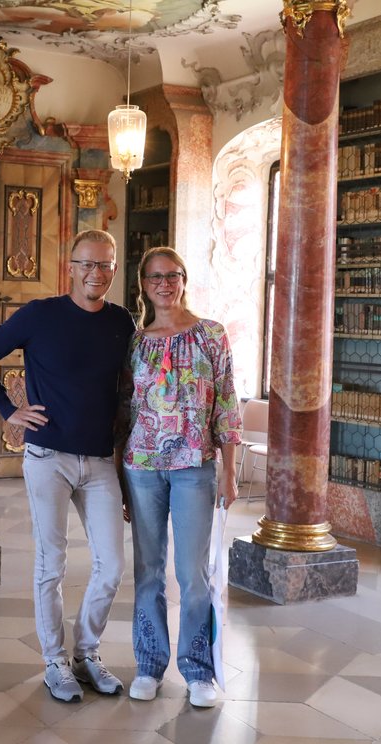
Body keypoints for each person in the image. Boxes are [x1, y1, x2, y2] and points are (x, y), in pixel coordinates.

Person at [0, 229, 136, 703]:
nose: (95, 274)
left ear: (114, 270)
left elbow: (128, 393)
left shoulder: (122, 322)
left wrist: (126, 468)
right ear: (71, 266)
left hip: (100, 459)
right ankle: (55, 662)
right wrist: (8, 409)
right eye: (87, 264)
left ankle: (86, 653)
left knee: (112, 565)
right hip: (48, 458)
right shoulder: (40, 315)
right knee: (51, 564)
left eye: (105, 265)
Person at [119, 246, 242, 709]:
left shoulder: (211, 334)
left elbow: (227, 403)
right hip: (142, 469)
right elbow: (123, 410)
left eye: (172, 275)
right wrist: (118, 478)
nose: (164, 284)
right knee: (148, 571)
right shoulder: (135, 341)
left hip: (195, 466)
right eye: (155, 277)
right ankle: (149, 664)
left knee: (194, 574)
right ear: (143, 284)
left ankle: (198, 669)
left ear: (184, 279)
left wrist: (229, 471)